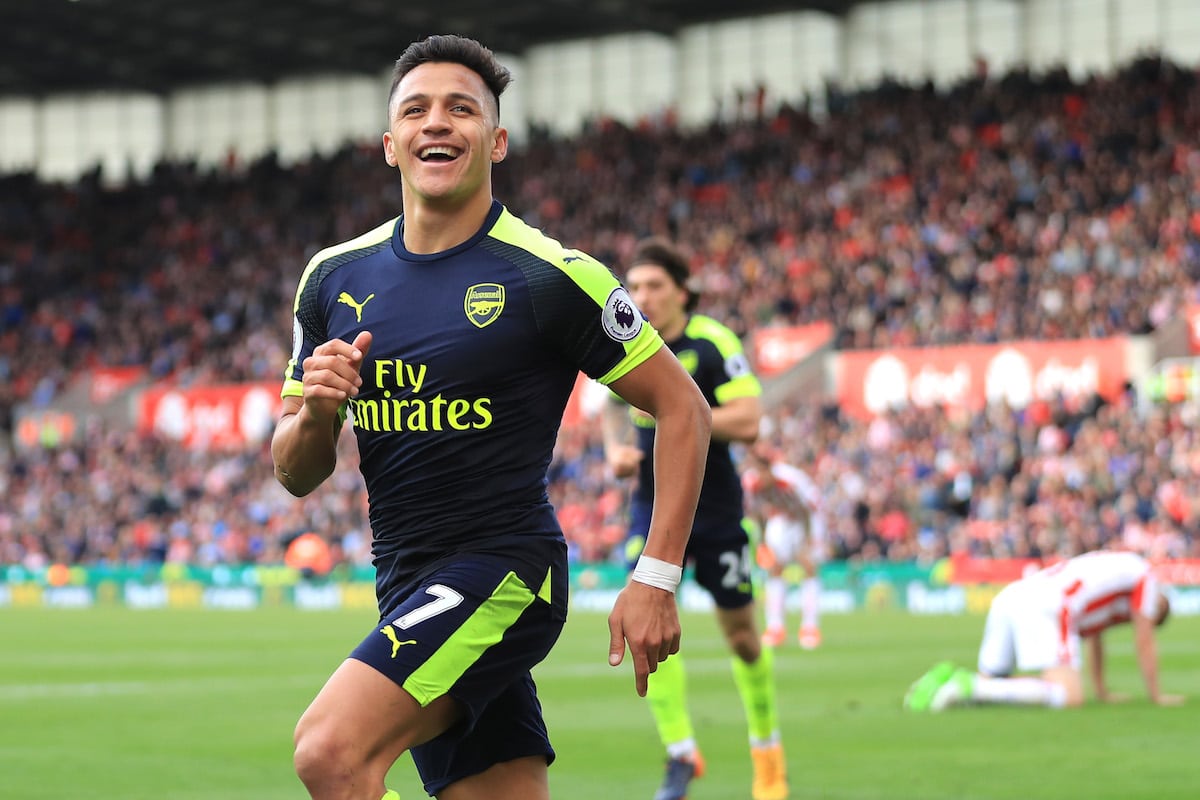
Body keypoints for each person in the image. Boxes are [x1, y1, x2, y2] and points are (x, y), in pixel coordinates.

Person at [271, 35, 713, 800]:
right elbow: (294, 472)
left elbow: (684, 409)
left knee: (329, 752)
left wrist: (657, 577)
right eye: (416, 110)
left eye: (460, 109)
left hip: (506, 572)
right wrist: (316, 412)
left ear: (496, 140)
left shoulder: (551, 277)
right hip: (403, 579)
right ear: (389, 144)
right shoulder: (332, 279)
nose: (436, 123)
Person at [603, 237, 788, 800]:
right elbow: (609, 404)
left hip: (717, 513)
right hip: (651, 511)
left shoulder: (711, 342)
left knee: (745, 642)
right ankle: (681, 753)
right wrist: (615, 449)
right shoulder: (624, 339)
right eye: (633, 287)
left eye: (654, 286)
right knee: (644, 628)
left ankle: (767, 752)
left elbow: (750, 420)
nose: (641, 297)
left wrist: (678, 413)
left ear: (683, 291)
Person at [904, 549, 1184, 713]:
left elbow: (1098, 635)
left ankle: (942, 684)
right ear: (1159, 605)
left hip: (1013, 594)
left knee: (994, 683)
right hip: (1049, 604)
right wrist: (1157, 696)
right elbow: (1144, 640)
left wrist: (1101, 691)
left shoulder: (1118, 568)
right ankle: (969, 683)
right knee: (1070, 696)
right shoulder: (1147, 578)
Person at [741, 443, 828, 650]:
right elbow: (758, 513)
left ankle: (810, 627)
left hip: (807, 518)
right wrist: (762, 543)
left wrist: (808, 541)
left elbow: (807, 510)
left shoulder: (789, 481)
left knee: (808, 566)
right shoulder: (752, 483)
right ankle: (775, 627)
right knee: (775, 568)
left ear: (769, 468)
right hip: (780, 518)